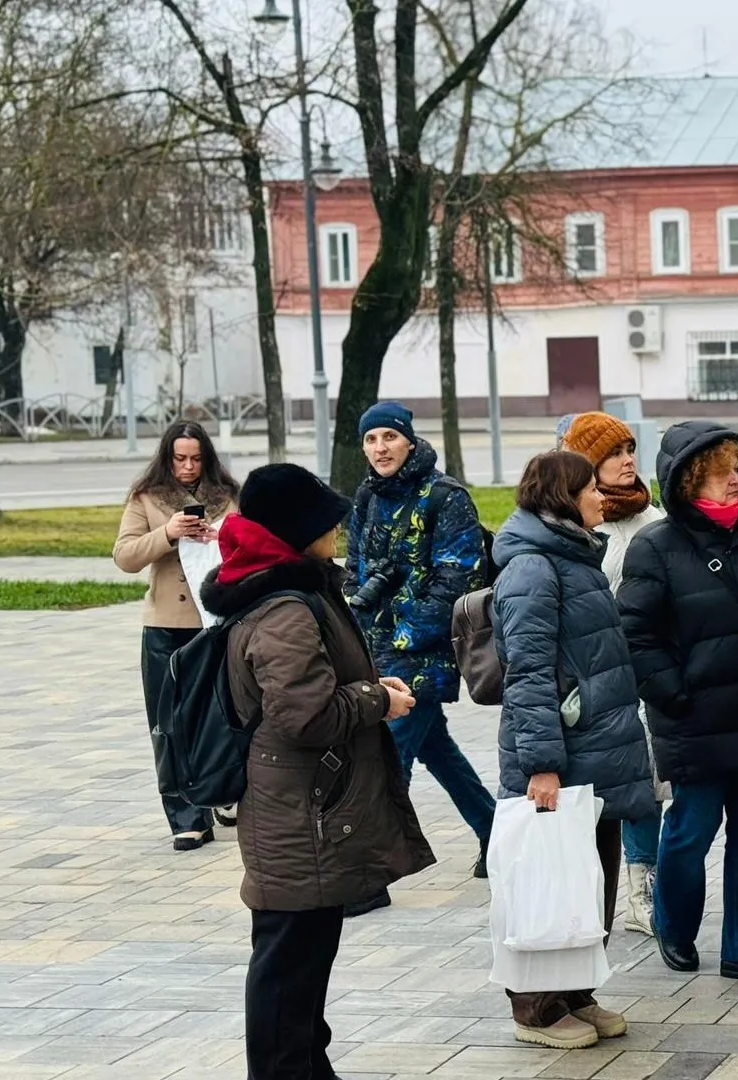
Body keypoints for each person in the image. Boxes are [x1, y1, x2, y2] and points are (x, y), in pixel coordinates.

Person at [197, 463, 433, 1080]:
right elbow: (306, 716)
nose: (339, 529)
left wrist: (366, 687)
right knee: (287, 966)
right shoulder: (284, 609)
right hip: (297, 812)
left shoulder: (293, 589)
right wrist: (379, 700)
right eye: (328, 521)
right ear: (297, 530)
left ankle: (307, 1067)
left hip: (307, 805)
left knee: (302, 964)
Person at [618, 422, 738, 987]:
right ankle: (674, 927)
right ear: (688, 482)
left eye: (737, 472)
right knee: (690, 832)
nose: (733, 483)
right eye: (719, 475)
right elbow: (635, 633)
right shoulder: (657, 546)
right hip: (694, 720)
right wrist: (672, 692)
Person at [490, 451, 656, 1049]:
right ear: (564, 497)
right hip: (561, 755)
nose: (601, 497)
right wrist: (541, 765)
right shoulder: (533, 567)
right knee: (549, 879)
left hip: (596, 750)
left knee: (589, 878)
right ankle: (534, 1009)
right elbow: (529, 672)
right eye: (591, 488)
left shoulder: (575, 554)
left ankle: (577, 993)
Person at [344, 401, 495, 916]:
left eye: (389, 436)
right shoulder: (366, 493)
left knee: (388, 759)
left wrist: (405, 636)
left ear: (409, 440)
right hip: (375, 648)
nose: (380, 448)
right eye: (371, 439)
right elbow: (356, 566)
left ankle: (369, 872)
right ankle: (495, 832)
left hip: (424, 652)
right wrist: (359, 623)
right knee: (436, 748)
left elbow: (459, 577)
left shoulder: (446, 496)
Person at [560, 412, 668, 936]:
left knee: (648, 782)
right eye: (613, 453)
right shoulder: (576, 526)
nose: (628, 460)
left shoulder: (654, 521)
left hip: (646, 670)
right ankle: (587, 892)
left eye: (630, 449)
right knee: (598, 792)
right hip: (592, 680)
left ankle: (644, 888)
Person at [112, 421, 239, 851]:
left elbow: (252, 545)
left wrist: (218, 538)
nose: (187, 467)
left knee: (221, 715)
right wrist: (168, 534)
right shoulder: (146, 497)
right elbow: (125, 556)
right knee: (168, 723)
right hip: (165, 625)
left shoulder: (228, 496)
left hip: (217, 622)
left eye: (196, 458)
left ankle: (223, 790)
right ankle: (186, 816)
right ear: (167, 457)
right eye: (179, 458)